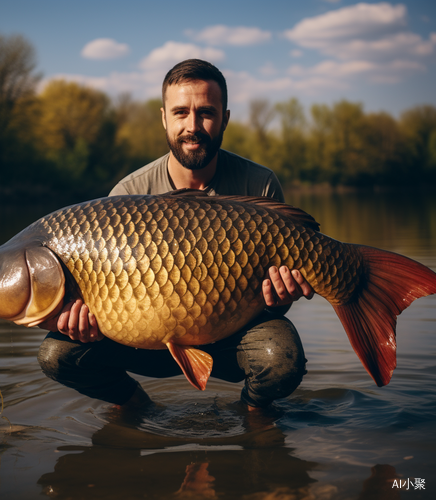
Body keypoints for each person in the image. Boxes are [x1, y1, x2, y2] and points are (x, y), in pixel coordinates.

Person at [38, 59, 314, 410]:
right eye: (181, 112)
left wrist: (282, 296)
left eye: (206, 113)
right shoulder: (126, 194)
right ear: (164, 118)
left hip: (230, 335)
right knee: (57, 352)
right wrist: (86, 325)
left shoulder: (258, 185)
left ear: (225, 119)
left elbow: (278, 303)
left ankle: (254, 421)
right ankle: (137, 406)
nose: (192, 126)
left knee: (281, 357)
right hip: (144, 342)